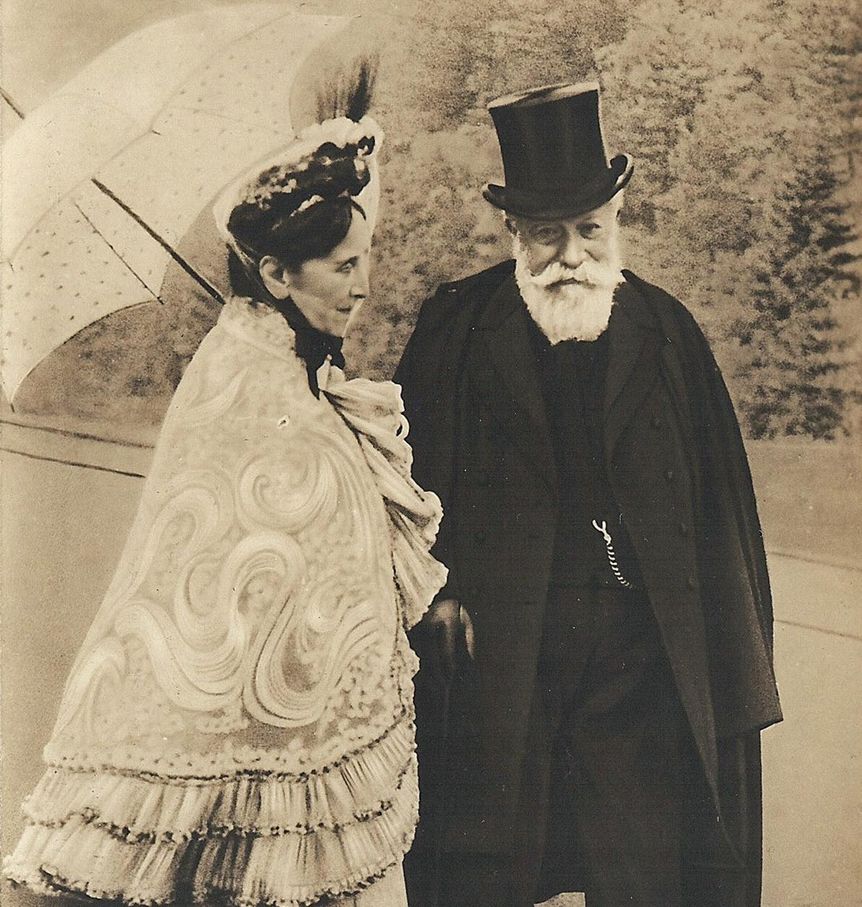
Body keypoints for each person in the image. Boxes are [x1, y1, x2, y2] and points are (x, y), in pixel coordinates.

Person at [4, 75, 446, 907]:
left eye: (365, 261)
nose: (361, 284)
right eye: (343, 267)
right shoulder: (243, 383)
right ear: (278, 274)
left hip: (304, 716)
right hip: (244, 742)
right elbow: (241, 556)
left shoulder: (285, 359)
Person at [396, 82, 782, 907]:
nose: (570, 255)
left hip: (635, 659)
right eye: (546, 235)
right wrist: (438, 591)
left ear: (616, 222)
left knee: (642, 873)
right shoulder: (456, 330)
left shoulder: (667, 333)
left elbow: (723, 517)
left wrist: (730, 666)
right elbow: (404, 489)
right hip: (501, 654)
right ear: (511, 232)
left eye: (589, 231)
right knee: (482, 874)